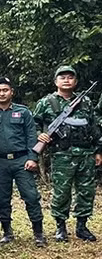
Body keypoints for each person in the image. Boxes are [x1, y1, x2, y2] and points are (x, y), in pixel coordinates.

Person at [33, 65, 102, 242]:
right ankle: (61, 227)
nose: (66, 80)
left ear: (75, 81)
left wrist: (98, 151)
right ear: (56, 81)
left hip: (86, 154)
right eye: (62, 77)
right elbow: (32, 124)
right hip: (61, 155)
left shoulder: (85, 101)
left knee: (86, 191)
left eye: (70, 77)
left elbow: (94, 127)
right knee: (62, 192)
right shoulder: (47, 102)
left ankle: (82, 226)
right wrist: (38, 134)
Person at [0, 77, 45, 246]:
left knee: (31, 196)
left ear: (12, 92)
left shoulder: (23, 112)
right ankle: (7, 232)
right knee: (2, 198)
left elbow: (31, 136)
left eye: (5, 90)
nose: (2, 93)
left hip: (22, 160)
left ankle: (38, 233)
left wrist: (33, 158)